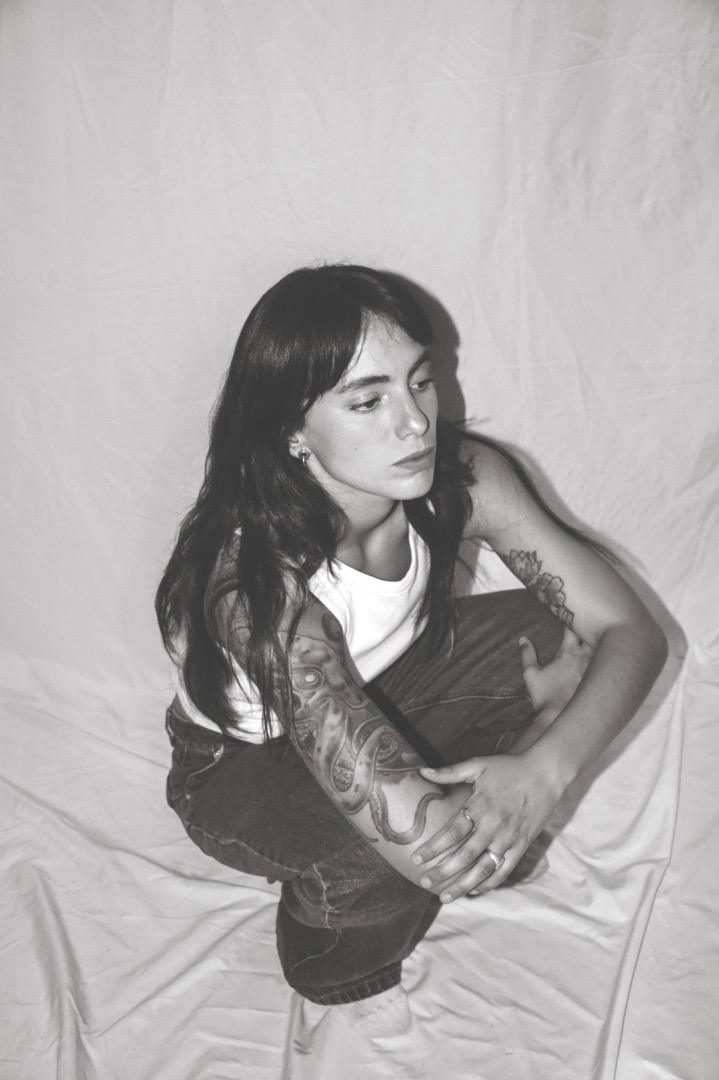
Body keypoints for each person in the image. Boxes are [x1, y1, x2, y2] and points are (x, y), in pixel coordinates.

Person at [156, 264, 667, 1039]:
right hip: (239, 771)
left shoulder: (465, 478)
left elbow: (630, 633)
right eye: (368, 401)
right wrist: (537, 748)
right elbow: (434, 854)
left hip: (384, 682)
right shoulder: (259, 591)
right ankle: (326, 941)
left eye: (419, 382)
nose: (416, 424)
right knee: (397, 862)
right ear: (289, 428)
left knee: (549, 626)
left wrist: (541, 771)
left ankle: (425, 787)